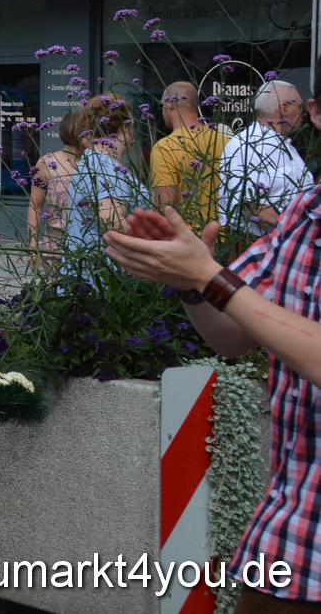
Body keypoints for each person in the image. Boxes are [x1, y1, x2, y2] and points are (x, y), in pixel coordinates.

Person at [105, 190, 321, 607]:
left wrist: (208, 277)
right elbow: (233, 333)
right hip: (291, 539)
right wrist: (190, 282)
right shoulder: (304, 210)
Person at [220, 80, 310, 229]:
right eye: (301, 107)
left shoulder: (287, 147)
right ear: (284, 108)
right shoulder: (247, 145)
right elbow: (252, 207)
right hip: (261, 246)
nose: (304, 113)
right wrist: (296, 233)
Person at [65, 93, 150, 249]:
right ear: (125, 127)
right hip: (107, 268)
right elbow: (113, 223)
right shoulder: (106, 167)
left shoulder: (93, 158)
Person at [150, 80, 228, 229]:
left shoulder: (165, 147)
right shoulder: (226, 142)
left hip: (189, 240)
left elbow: (166, 208)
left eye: (162, 106)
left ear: (170, 104)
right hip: (226, 240)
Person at [26, 110, 84, 259]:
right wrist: (32, 245)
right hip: (55, 246)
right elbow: (35, 205)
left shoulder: (96, 162)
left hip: (89, 245)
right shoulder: (47, 162)